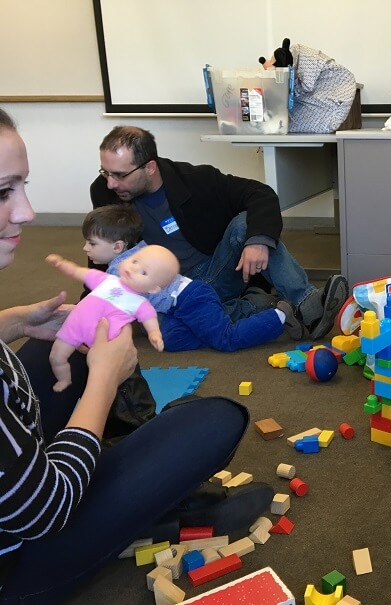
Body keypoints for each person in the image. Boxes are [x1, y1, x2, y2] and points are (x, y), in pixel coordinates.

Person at [0, 109, 273, 604]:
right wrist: (105, 382)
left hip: (202, 285)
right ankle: (157, 500)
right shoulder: (113, 216)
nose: (27, 212)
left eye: (22, 186)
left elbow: (256, 198)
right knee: (215, 419)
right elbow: (41, 510)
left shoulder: (193, 183)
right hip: (19, 550)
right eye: (3, 192)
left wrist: (18, 321)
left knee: (72, 347)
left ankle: (136, 472)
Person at [89, 125, 347, 340]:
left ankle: (310, 307)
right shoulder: (104, 191)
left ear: (150, 167)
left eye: (120, 175)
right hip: (165, 291)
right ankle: (259, 306)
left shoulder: (195, 180)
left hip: (215, 272)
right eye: (106, 172)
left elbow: (259, 194)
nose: (111, 183)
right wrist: (90, 303)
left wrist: (257, 241)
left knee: (245, 225)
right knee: (157, 325)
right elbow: (105, 247)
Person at [83, 205, 304, 352]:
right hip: (177, 306)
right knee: (169, 339)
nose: (85, 249)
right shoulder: (135, 252)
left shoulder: (120, 270)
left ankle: (279, 316)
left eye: (91, 243)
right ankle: (246, 309)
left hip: (191, 297)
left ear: (118, 246)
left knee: (225, 340)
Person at [46, 245, 179, 391]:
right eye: (135, 261)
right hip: (74, 327)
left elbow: (150, 320)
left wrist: (154, 334)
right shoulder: (106, 279)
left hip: (104, 340)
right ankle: (64, 379)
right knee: (56, 357)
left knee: (103, 371)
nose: (134, 268)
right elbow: (78, 272)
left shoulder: (140, 303)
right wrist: (61, 263)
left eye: (144, 272)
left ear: (153, 289)